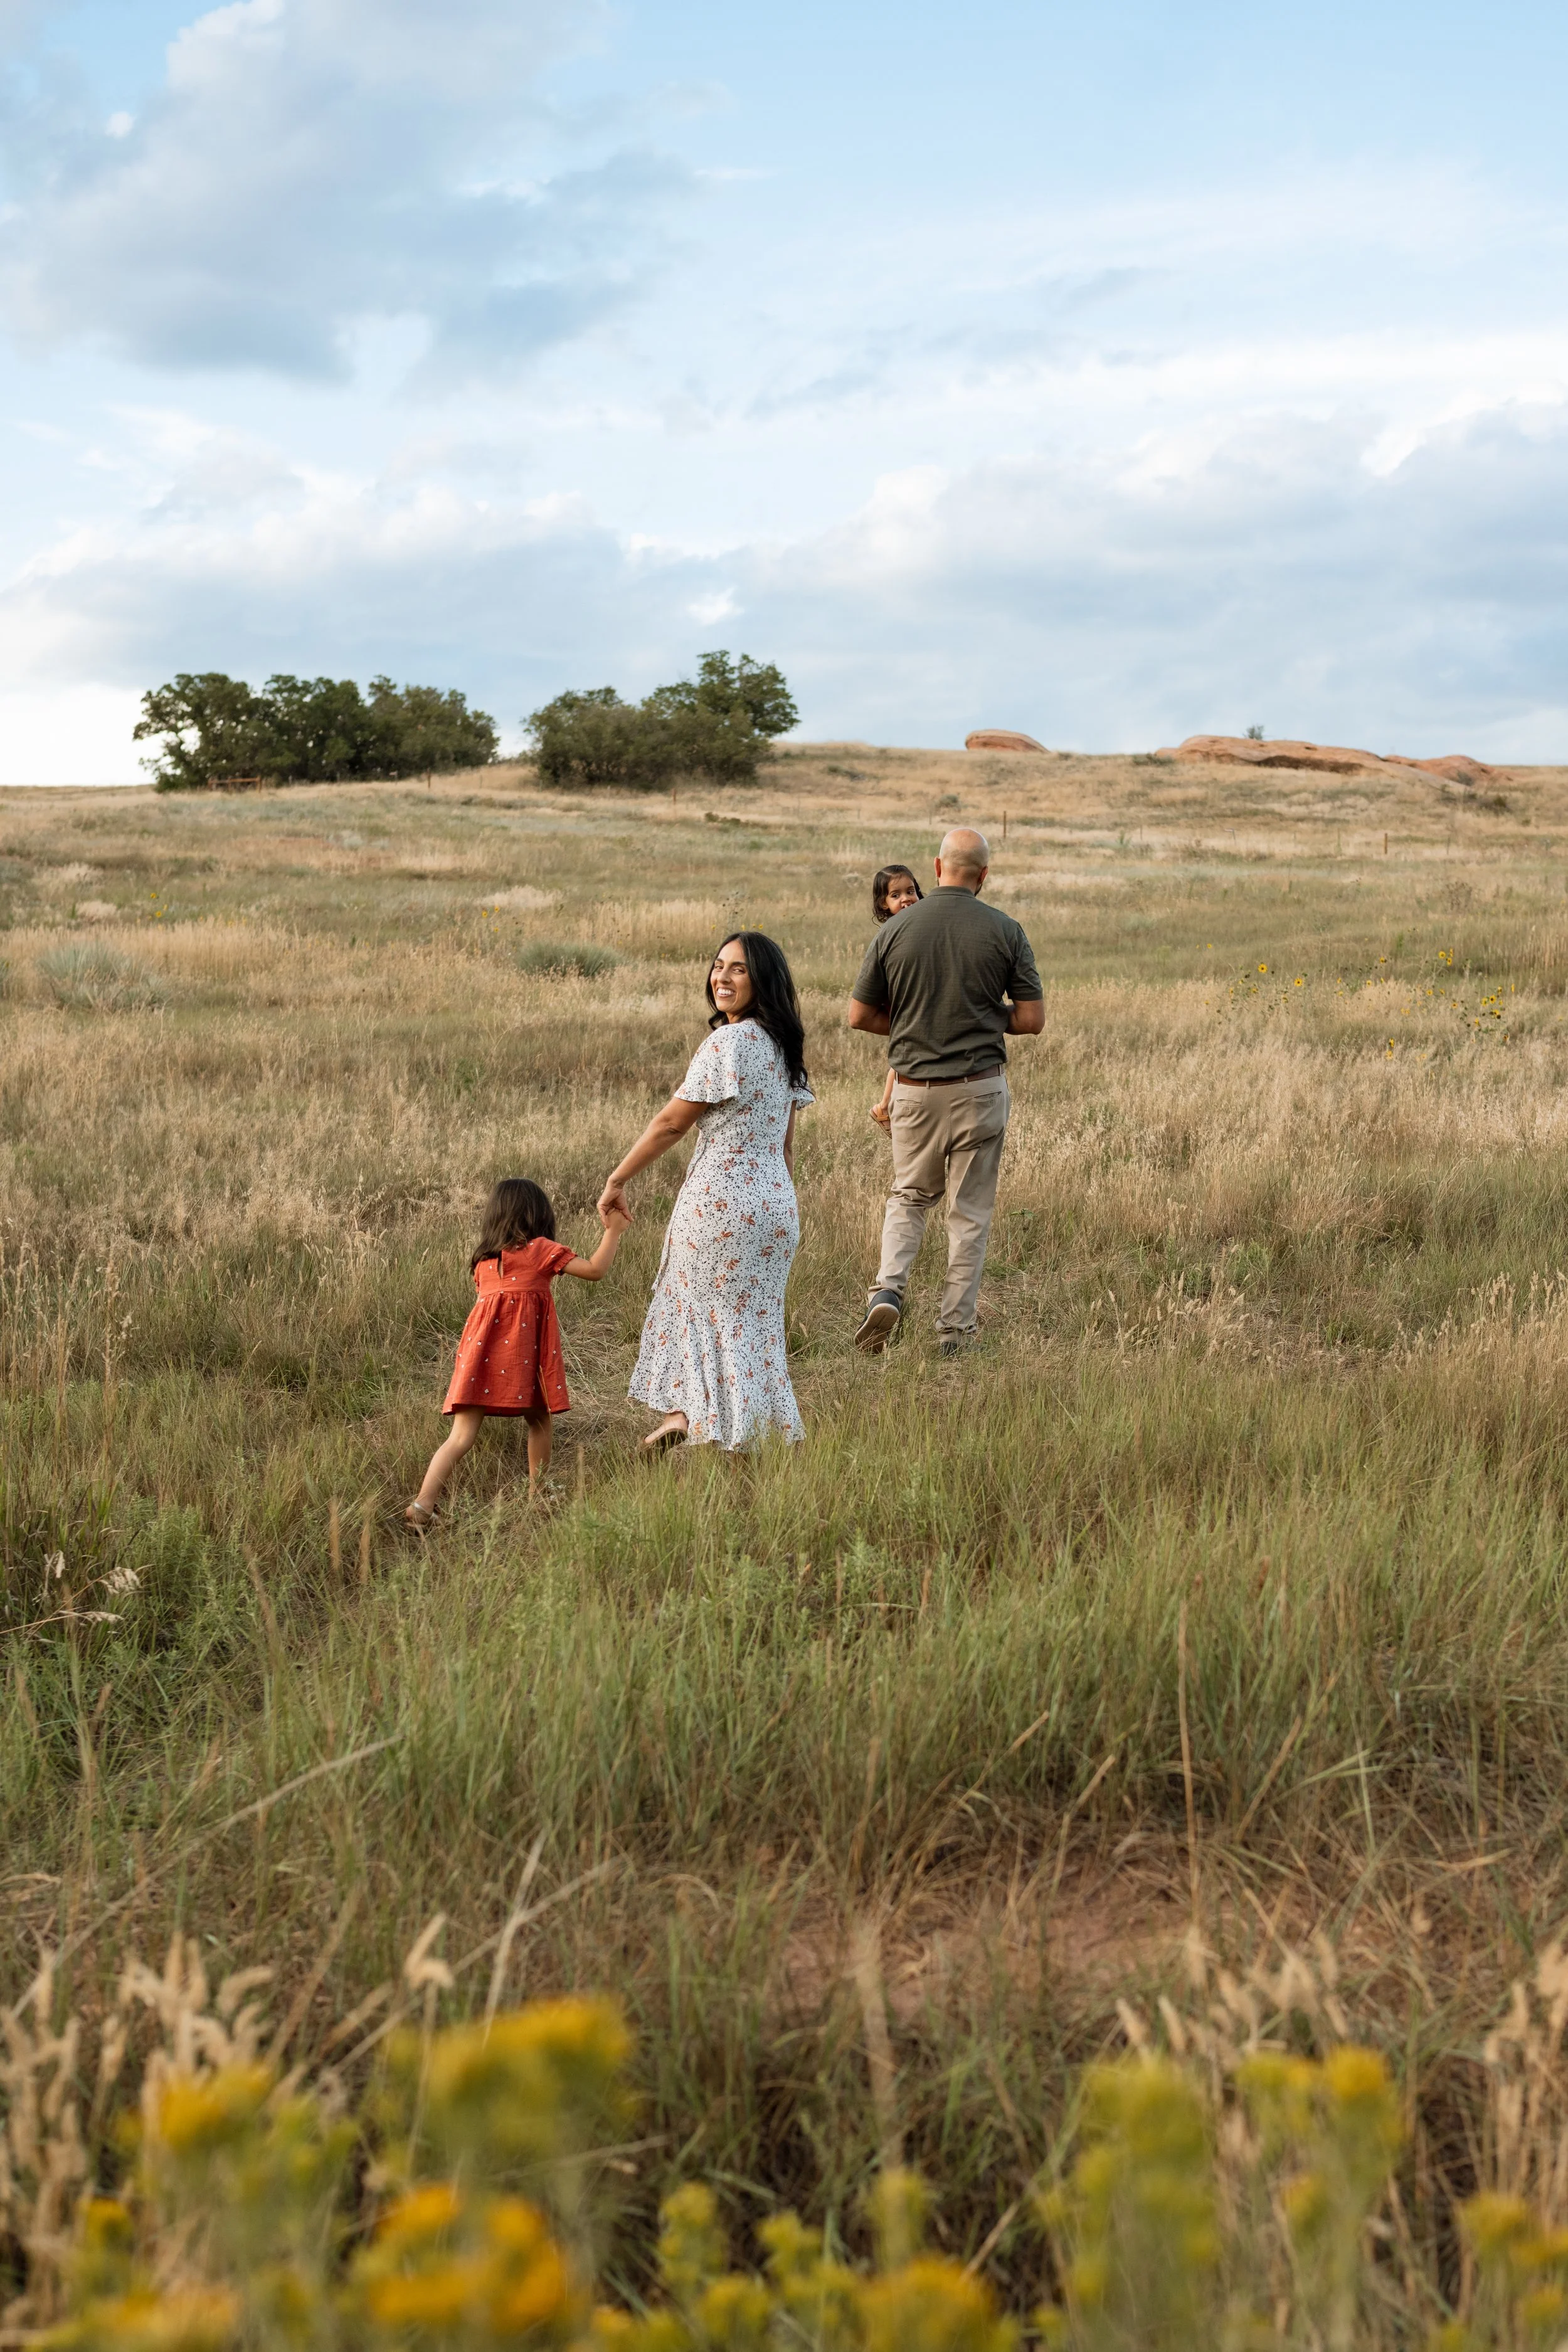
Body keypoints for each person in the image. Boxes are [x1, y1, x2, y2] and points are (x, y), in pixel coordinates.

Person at [599, 933, 813, 1451]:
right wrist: (781, 1204)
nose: (722, 977)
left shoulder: (728, 1043)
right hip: (775, 1208)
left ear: (763, 980)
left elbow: (672, 1124)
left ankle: (693, 1422)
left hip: (720, 1206)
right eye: (719, 966)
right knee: (753, 1331)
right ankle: (737, 1431)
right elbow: (785, 1147)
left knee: (695, 1311)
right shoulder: (783, 1048)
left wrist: (617, 1179)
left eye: (738, 969)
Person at [848, 826, 1043, 1357]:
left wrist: (918, 1023)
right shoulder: (1006, 930)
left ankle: (888, 1290)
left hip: (913, 1091)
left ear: (936, 869)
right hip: (980, 1089)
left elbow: (859, 1015)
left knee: (909, 1196)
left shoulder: (894, 930)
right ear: (983, 875)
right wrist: (981, 1014)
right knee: (969, 1213)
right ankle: (956, 1334)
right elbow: (1031, 1020)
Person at [405, 1177, 628, 1524]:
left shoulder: (484, 1261)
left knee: (461, 1436)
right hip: (523, 1357)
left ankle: (422, 1505)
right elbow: (595, 1271)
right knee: (539, 1420)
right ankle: (537, 1501)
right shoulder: (540, 1249)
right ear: (538, 1215)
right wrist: (613, 1231)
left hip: (479, 1357)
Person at [867, 865, 923, 1132]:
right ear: (884, 903)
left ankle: (885, 1106)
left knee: (904, 1054)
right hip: (901, 1001)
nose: (906, 899)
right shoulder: (893, 933)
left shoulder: (918, 924)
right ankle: (884, 1107)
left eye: (911, 892)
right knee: (903, 1057)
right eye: (896, 895)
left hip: (907, 1000)